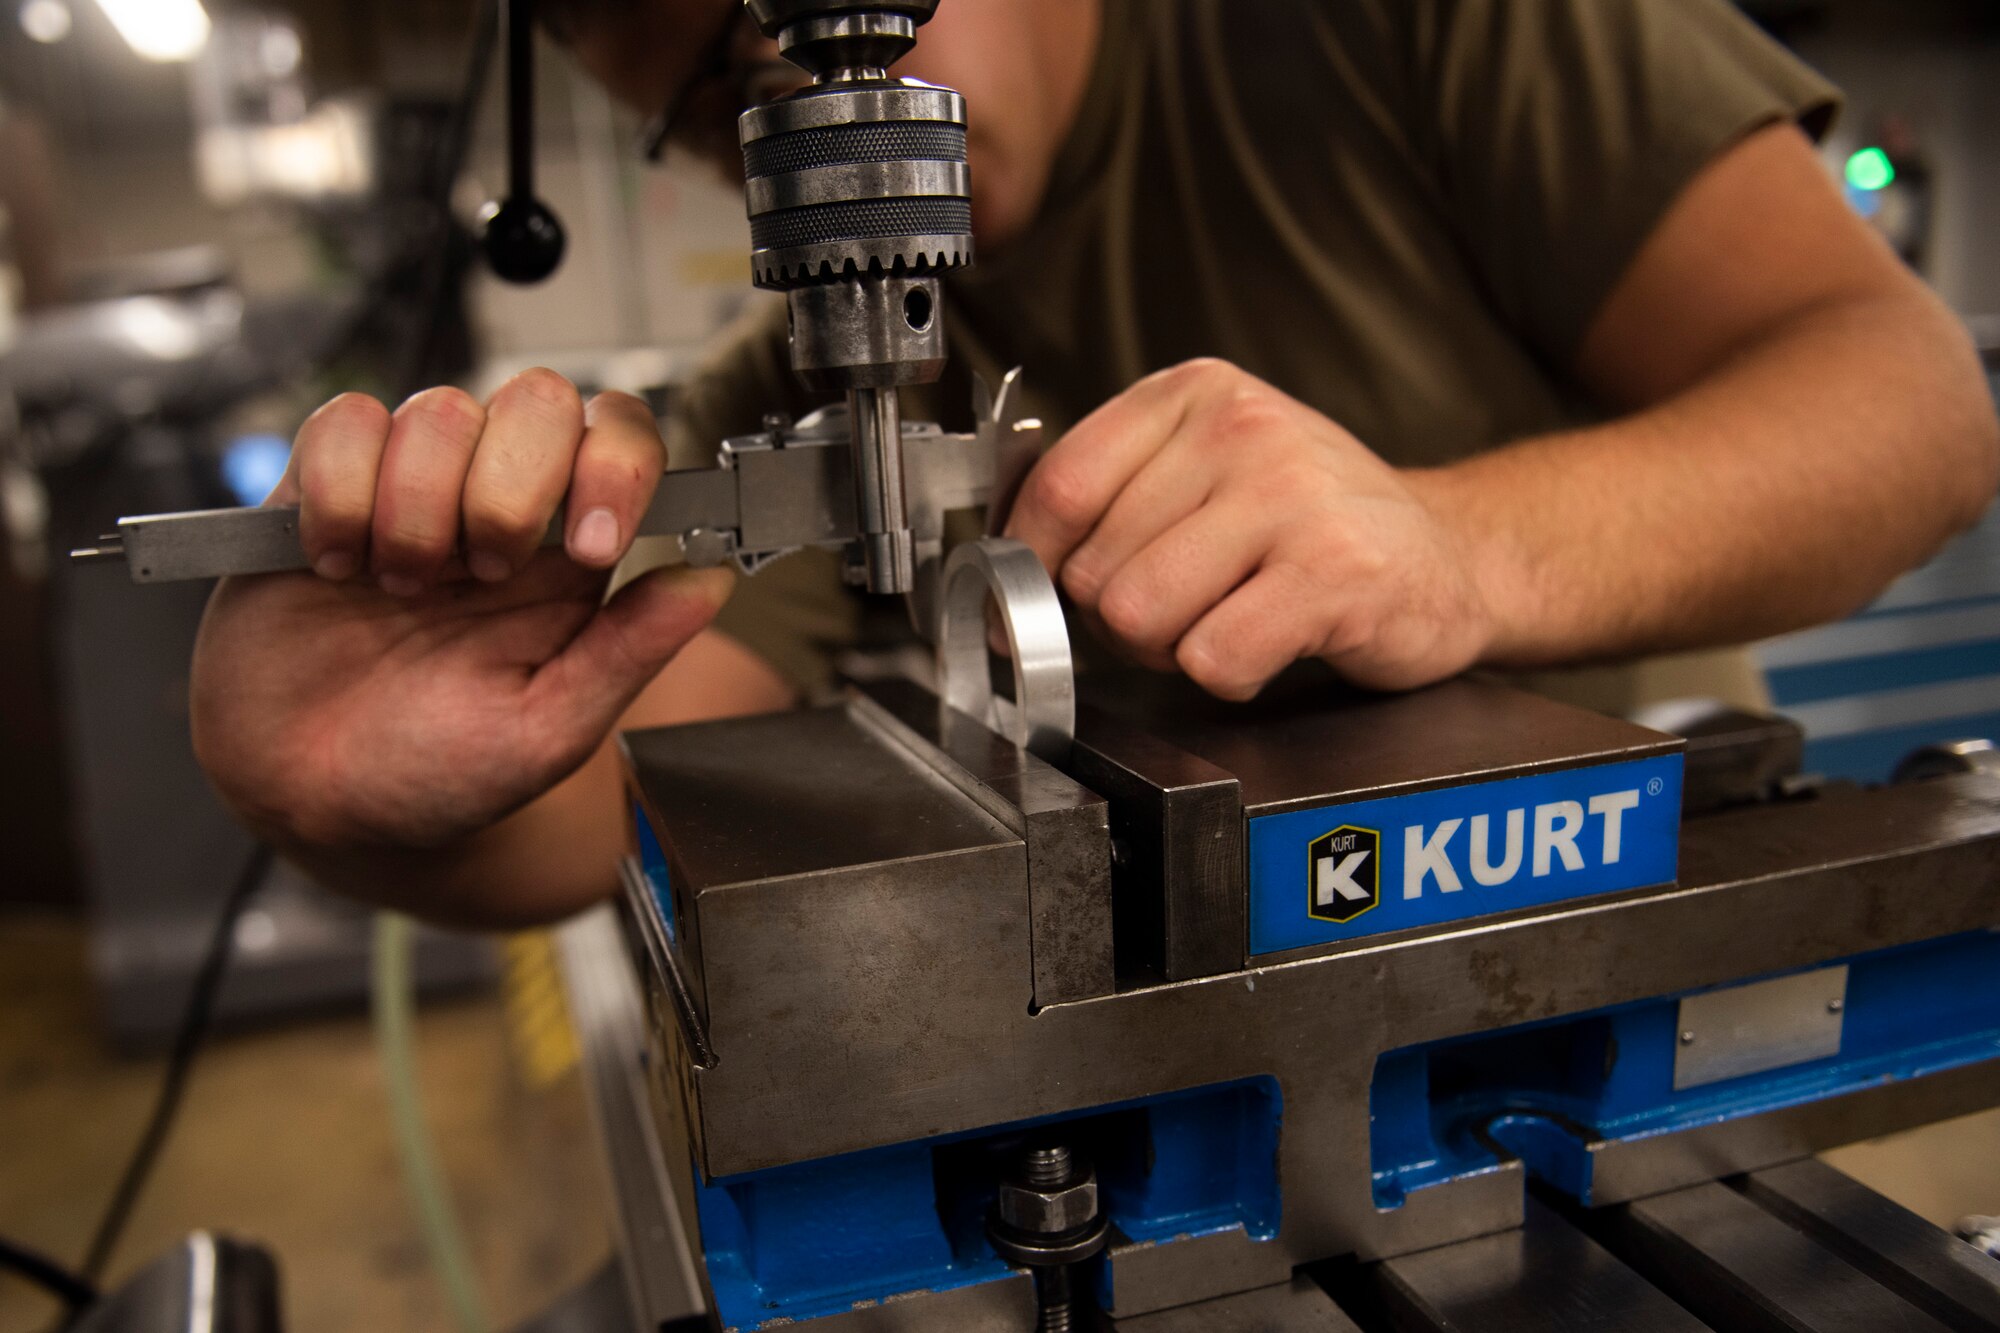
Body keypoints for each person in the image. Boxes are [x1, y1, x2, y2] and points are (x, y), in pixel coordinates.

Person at [188, 0, 2000, 927]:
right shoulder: (828, 374)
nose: (792, 140)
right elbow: (623, 800)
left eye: (794, 53)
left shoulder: (1403, 32)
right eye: (715, 117)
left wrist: (1460, 545)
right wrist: (346, 791)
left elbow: (1910, 405)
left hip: (1627, 959)